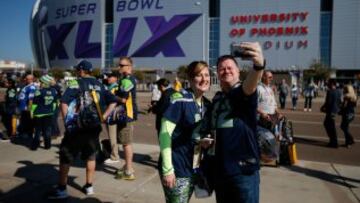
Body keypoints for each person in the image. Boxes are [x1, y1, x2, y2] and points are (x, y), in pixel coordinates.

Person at [47, 60, 117, 199]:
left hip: (77, 127)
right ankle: (89, 186)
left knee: (66, 156)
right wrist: (103, 116)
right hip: (94, 127)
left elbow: (64, 102)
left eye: (78, 70)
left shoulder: (75, 83)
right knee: (90, 155)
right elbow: (113, 101)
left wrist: (68, 121)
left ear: (81, 70)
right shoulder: (100, 85)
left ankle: (62, 189)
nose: (77, 72)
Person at [209, 42, 265, 203]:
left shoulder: (242, 91)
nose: (225, 70)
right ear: (218, 74)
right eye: (221, 68)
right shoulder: (218, 98)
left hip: (243, 172)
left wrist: (258, 66)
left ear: (238, 71)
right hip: (221, 172)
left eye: (229, 67)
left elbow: (250, 86)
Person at [158, 61, 211, 203]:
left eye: (207, 75)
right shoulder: (179, 99)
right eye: (199, 75)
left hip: (193, 167)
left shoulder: (207, 104)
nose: (204, 79)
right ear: (190, 78)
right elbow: (164, 134)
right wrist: (168, 170)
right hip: (177, 167)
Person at [114, 56, 138, 180]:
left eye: (122, 65)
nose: (119, 67)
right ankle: (128, 167)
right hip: (125, 114)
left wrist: (112, 95)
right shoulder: (124, 79)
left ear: (129, 67)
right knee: (126, 142)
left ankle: (128, 171)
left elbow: (122, 98)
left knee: (126, 143)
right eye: (119, 65)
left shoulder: (127, 80)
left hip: (126, 115)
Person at [30, 75, 58, 150]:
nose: (40, 83)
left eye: (41, 82)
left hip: (39, 114)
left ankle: (34, 146)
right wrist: (52, 110)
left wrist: (32, 112)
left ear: (44, 83)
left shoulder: (38, 92)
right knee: (47, 130)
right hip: (49, 113)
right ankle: (47, 146)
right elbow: (55, 103)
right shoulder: (54, 91)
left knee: (38, 131)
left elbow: (34, 104)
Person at [104, 72, 121, 164]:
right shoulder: (109, 87)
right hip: (111, 114)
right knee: (113, 136)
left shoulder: (115, 88)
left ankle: (114, 156)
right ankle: (115, 153)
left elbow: (115, 101)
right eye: (108, 77)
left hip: (112, 115)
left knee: (112, 135)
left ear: (116, 78)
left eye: (110, 77)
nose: (108, 78)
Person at [321, 79, 342, 148]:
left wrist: (323, 108)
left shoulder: (330, 92)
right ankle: (333, 141)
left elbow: (328, 102)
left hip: (330, 111)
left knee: (329, 126)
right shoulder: (339, 91)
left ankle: (333, 142)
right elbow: (340, 101)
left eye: (328, 83)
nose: (327, 84)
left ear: (332, 84)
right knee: (330, 125)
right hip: (335, 110)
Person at [18, 73, 36, 138]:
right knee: (23, 121)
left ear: (31, 79)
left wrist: (29, 109)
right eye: (26, 78)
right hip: (22, 107)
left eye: (27, 79)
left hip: (26, 108)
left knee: (27, 121)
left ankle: (28, 135)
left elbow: (31, 99)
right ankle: (25, 133)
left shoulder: (32, 87)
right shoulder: (27, 86)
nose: (25, 79)